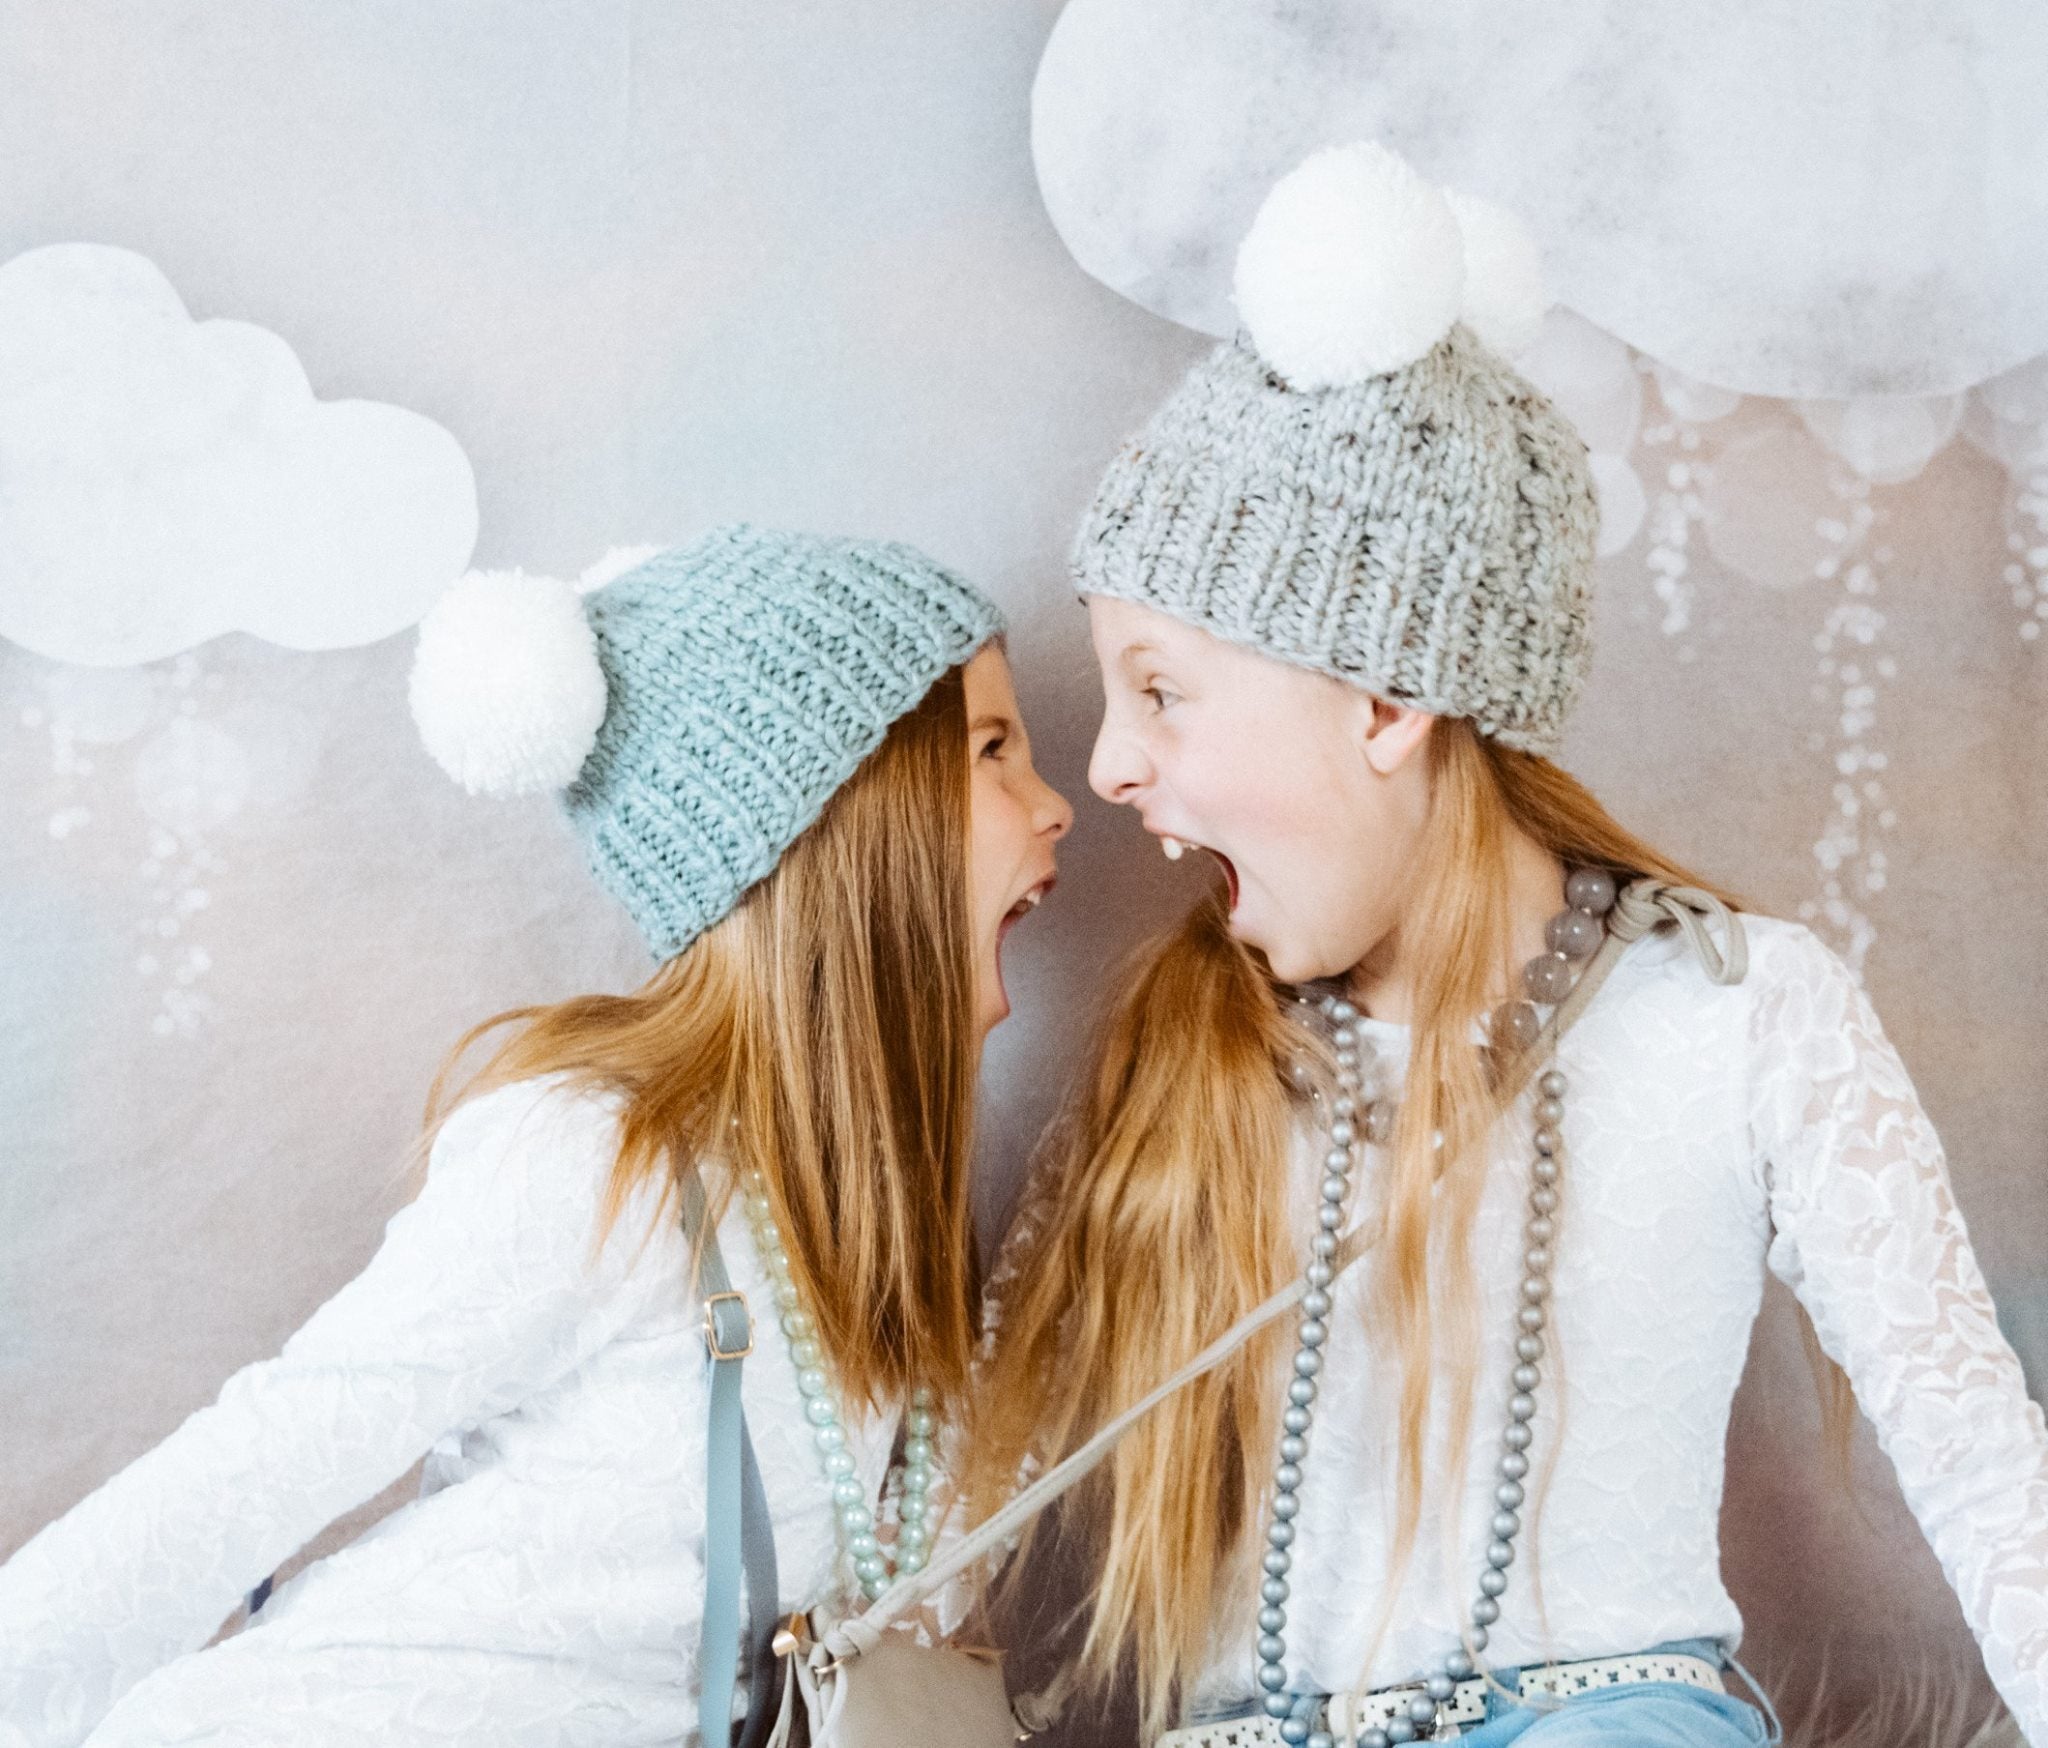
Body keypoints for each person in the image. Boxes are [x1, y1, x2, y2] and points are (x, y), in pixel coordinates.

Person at [968, 143, 2048, 1747]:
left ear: (1390, 701)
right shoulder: (1184, 1047)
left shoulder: (1745, 1016)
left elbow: (1977, 1455)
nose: (1110, 766)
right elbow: (977, 1481)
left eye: (1164, 689)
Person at [0, 525, 1071, 1748]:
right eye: (992, 749)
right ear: (838, 817)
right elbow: (263, 1455)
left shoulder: (880, 1219)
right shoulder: (595, 1151)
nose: (1054, 806)